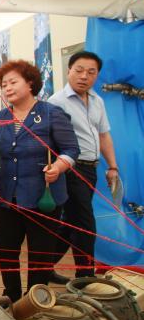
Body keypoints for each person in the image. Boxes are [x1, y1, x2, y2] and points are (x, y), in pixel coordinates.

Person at [0, 60, 79, 302]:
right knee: (6, 250)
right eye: (4, 84)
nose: (7, 88)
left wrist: (57, 167)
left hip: (43, 196)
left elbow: (71, 149)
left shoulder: (51, 114)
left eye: (13, 82)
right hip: (9, 196)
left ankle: (34, 298)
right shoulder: (0, 118)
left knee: (40, 253)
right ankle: (11, 295)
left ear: (31, 83)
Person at [48, 51, 118, 280]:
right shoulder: (56, 102)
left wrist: (112, 167)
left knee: (71, 223)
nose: (84, 76)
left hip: (91, 168)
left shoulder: (97, 100)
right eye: (78, 70)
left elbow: (104, 136)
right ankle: (85, 277)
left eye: (91, 72)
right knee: (86, 224)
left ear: (97, 75)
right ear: (68, 71)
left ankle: (43, 268)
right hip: (70, 169)